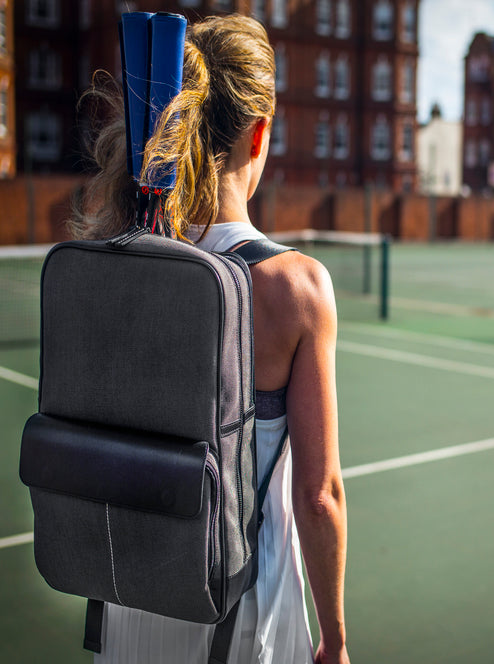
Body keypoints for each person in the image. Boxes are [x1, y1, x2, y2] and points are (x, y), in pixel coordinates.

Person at [69, 14, 349, 664]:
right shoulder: (296, 286)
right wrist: (333, 639)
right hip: (238, 625)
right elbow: (320, 495)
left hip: (126, 613)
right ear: (258, 133)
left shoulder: (123, 254)